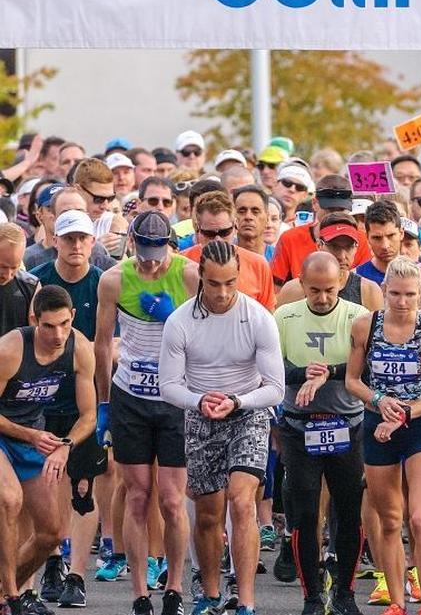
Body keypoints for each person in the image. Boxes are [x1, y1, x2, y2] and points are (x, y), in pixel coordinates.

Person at [158, 240, 286, 615]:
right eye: (214, 283)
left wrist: (238, 401)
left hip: (248, 409)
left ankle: (245, 599)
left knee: (242, 501)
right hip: (200, 412)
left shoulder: (258, 317)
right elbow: (168, 386)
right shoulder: (180, 321)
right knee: (209, 513)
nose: (223, 292)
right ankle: (211, 593)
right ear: (201, 277)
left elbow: (275, 387)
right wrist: (200, 400)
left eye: (231, 282)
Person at [94, 211, 198, 614]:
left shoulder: (188, 275)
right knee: (137, 495)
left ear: (169, 244)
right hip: (131, 396)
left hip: (175, 398)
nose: (151, 261)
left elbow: (204, 337)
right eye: (144, 251)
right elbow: (103, 344)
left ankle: (173, 586)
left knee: (172, 499)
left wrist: (173, 319)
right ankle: (138, 592)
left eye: (158, 251)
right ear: (132, 243)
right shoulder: (115, 279)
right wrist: (104, 403)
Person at [346, 255, 421, 615]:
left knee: (420, 517)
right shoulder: (366, 325)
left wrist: (407, 411)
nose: (402, 302)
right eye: (395, 294)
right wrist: (380, 400)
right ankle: (396, 600)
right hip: (378, 426)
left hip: (418, 424)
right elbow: (352, 380)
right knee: (389, 518)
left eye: (409, 294)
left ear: (420, 293)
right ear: (384, 292)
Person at [275, 251, 371, 615]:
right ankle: (312, 597)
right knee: (304, 514)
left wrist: (328, 373)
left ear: (342, 283)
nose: (323, 298)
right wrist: (304, 375)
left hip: (347, 425)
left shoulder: (357, 317)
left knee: (348, 513)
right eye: (314, 290)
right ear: (301, 284)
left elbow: (366, 367)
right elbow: (272, 366)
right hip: (300, 427)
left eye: (330, 290)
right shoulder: (284, 316)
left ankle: (345, 594)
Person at [0, 286, 96, 615]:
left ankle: (3, 593)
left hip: (32, 437)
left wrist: (65, 446)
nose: (58, 335)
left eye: (65, 325)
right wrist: (29, 434)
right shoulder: (12, 348)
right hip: (7, 434)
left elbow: (89, 416)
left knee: (51, 532)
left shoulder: (80, 348)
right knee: (10, 499)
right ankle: (12, 598)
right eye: (49, 326)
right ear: (33, 320)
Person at [28, 209, 105, 603]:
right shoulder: (37, 279)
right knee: (45, 483)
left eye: (83, 239)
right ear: (54, 239)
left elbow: (110, 340)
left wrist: (105, 401)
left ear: (93, 241)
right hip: (39, 395)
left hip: (85, 392)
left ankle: (76, 574)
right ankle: (53, 561)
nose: (76, 246)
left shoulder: (102, 280)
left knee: (83, 487)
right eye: (69, 238)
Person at [278, 214, 383, 311]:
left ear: (356, 248)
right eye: (334, 247)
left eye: (348, 247)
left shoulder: (368, 291)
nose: (342, 256)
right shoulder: (293, 291)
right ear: (319, 245)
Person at [355, 200, 403, 286]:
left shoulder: (420, 274)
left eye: (391, 236)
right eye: (377, 238)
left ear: (401, 233)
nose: (385, 246)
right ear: (367, 237)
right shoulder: (356, 278)